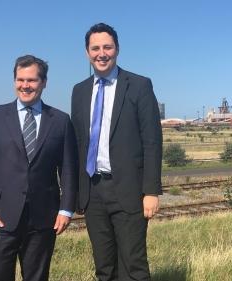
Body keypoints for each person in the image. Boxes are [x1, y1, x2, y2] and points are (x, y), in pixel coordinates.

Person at [0, 55, 78, 281]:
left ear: (44, 82)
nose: (25, 85)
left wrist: (66, 209)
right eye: (20, 79)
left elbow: (68, 169)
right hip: (0, 218)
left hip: (43, 218)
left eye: (31, 80)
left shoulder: (60, 120)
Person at [71, 23, 162, 281]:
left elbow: (152, 141)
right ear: (87, 53)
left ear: (117, 49)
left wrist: (151, 191)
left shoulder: (139, 85)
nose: (102, 53)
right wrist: (77, 191)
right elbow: (78, 143)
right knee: (104, 268)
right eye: (95, 48)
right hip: (92, 190)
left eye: (107, 47)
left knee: (133, 266)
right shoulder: (79, 91)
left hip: (129, 190)